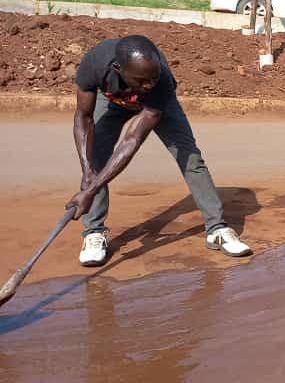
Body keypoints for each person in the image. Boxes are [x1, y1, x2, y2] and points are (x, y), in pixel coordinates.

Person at [67, 35, 252, 266]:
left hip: (154, 106)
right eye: (142, 80)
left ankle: (217, 228)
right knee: (96, 157)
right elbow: (83, 118)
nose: (148, 85)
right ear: (118, 69)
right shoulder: (95, 64)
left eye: (152, 78)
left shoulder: (160, 83)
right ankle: (94, 232)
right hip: (113, 102)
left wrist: (91, 189)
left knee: (189, 156)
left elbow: (131, 140)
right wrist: (87, 173)